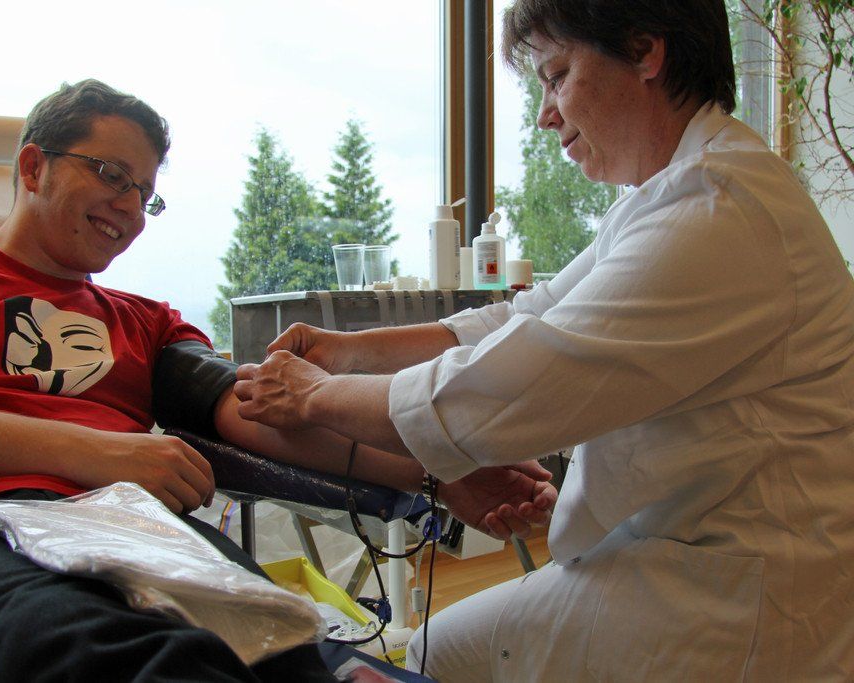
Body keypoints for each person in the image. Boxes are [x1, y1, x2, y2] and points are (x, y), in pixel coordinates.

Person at [0, 79, 554, 681]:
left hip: (126, 529)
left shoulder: (145, 322)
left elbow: (253, 412)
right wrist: (92, 452)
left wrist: (438, 471)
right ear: (31, 166)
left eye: (146, 193)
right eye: (110, 174)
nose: (130, 207)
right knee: (113, 656)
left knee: (292, 656)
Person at [233, 1, 854, 680]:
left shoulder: (718, 211)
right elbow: (525, 318)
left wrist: (315, 394)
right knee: (438, 647)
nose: (544, 115)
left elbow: (501, 392)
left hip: (741, 597)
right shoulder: (672, 194)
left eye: (557, 76)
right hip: (681, 551)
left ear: (645, 50)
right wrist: (347, 351)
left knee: (438, 652)